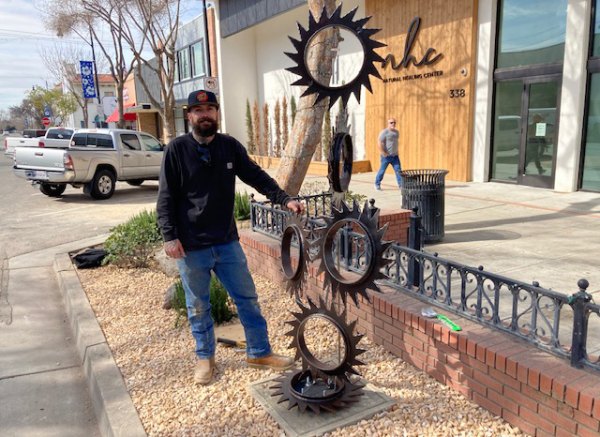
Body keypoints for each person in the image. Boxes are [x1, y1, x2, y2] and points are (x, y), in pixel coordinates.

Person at [156, 90, 305, 385]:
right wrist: (169, 236)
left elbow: (255, 175)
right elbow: (166, 197)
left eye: (210, 108)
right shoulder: (176, 150)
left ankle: (259, 352)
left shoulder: (229, 147)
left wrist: (283, 198)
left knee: (247, 299)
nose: (205, 115)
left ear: (217, 114)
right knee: (197, 305)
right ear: (189, 116)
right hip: (191, 246)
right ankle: (205, 358)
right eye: (199, 110)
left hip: (226, 243)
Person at [374, 118, 402, 190]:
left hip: (395, 156)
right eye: (391, 122)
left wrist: (397, 151)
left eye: (394, 122)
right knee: (382, 171)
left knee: (398, 171)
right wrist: (383, 152)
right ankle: (377, 184)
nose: (393, 124)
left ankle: (401, 185)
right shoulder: (384, 132)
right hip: (386, 156)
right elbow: (380, 142)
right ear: (388, 123)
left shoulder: (396, 132)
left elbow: (395, 143)